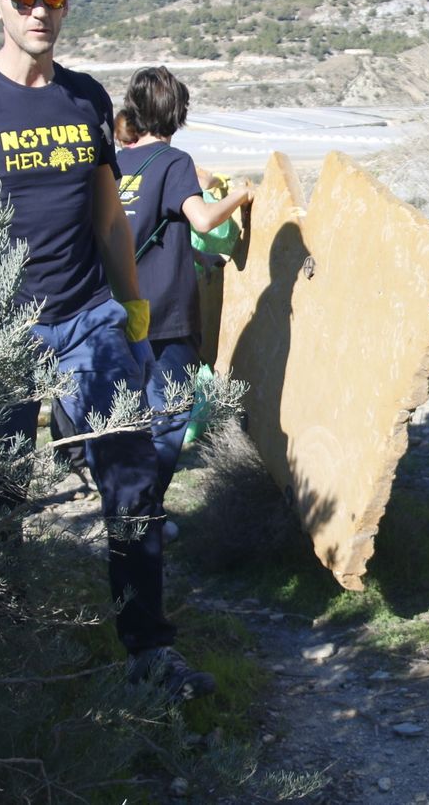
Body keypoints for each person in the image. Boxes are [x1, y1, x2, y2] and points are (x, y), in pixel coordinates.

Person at [0, 0, 211, 701]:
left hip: (88, 320)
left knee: (134, 480)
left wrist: (131, 309)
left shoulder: (86, 98)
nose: (41, 11)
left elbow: (109, 220)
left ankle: (148, 653)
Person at [113, 66, 253, 533]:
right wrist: (241, 197)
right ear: (179, 114)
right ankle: (143, 512)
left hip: (122, 308)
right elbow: (203, 220)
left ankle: (127, 505)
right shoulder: (173, 163)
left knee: (129, 415)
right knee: (170, 416)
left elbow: (142, 232)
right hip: (168, 313)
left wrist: (197, 259)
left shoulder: (118, 164)